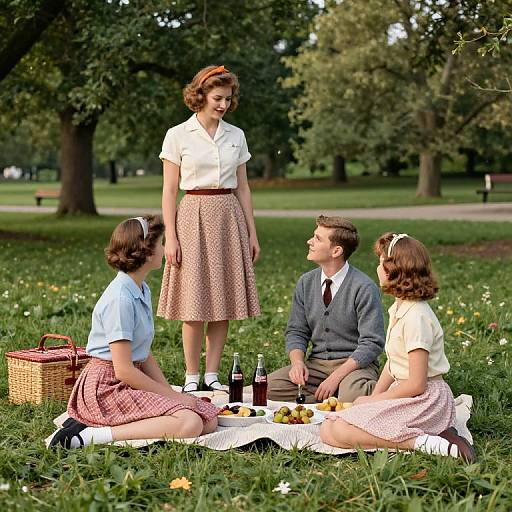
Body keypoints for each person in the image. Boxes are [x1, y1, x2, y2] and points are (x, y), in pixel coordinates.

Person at [48, 216, 218, 449]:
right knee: (190, 424)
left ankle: (100, 427)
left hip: (128, 381)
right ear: (147, 253)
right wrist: (175, 398)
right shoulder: (120, 299)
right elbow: (124, 370)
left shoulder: (141, 288)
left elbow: (143, 353)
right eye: (161, 244)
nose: (164, 248)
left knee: (208, 418)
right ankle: (87, 436)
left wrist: (169, 393)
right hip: (107, 389)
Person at [319, 233, 476, 463]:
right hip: (405, 393)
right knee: (328, 428)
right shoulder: (399, 308)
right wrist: (376, 397)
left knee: (339, 431)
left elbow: (416, 383)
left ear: (393, 270)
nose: (377, 268)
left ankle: (426, 443)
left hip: (424, 400)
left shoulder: (416, 317)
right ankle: (429, 438)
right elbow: (393, 365)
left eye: (381, 262)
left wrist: (373, 403)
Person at [157, 65, 260, 393]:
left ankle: (213, 374)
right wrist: (170, 237)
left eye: (228, 99)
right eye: (217, 98)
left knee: (223, 298)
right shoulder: (177, 135)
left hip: (228, 217)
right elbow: (170, 191)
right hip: (192, 217)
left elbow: (243, 188)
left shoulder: (236, 135)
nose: (223, 105)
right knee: (194, 300)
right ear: (200, 96)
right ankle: (191, 375)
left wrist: (252, 233)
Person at [267, 216, 385, 403]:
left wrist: (336, 377)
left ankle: (352, 392)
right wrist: (297, 364)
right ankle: (331, 398)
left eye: (317, 238)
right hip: (317, 366)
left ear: (336, 251)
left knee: (353, 393)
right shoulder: (306, 282)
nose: (309, 241)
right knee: (267, 388)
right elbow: (297, 331)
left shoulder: (364, 287)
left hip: (355, 367)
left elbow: (372, 343)